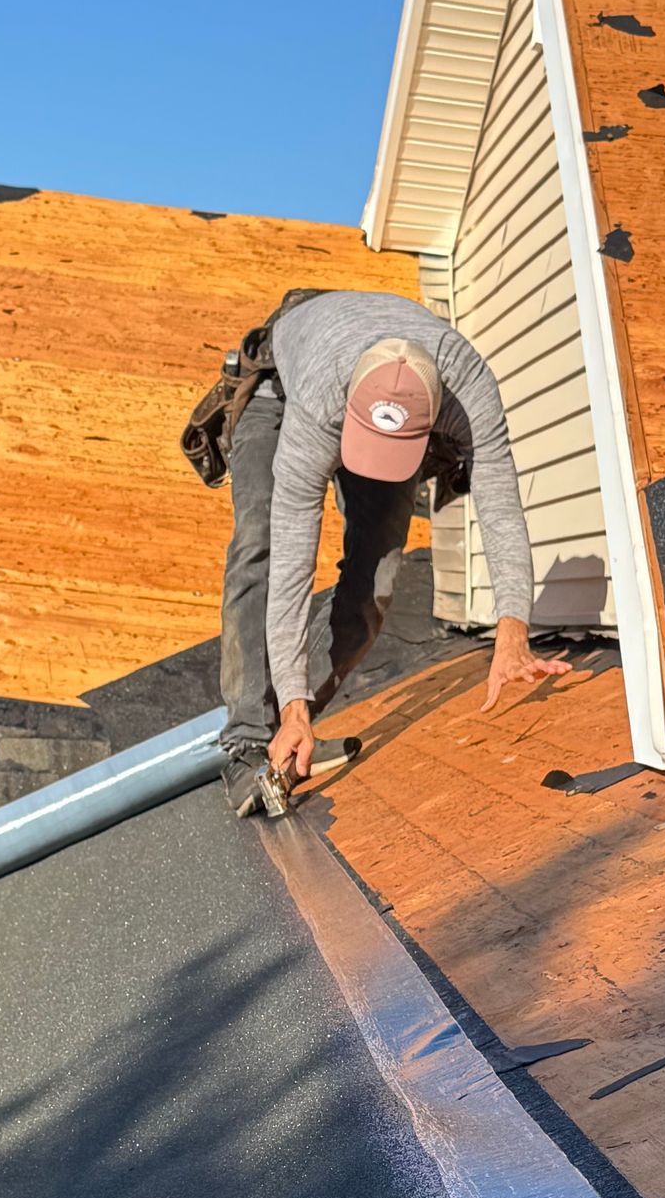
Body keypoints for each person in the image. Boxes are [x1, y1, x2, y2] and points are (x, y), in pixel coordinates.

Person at [217, 290, 569, 816]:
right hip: (283, 392)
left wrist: (513, 634)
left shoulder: (470, 389)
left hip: (377, 386)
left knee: (377, 577)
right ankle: (250, 741)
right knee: (258, 545)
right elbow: (293, 567)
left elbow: (500, 508)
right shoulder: (319, 403)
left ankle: (291, 732)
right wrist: (290, 701)